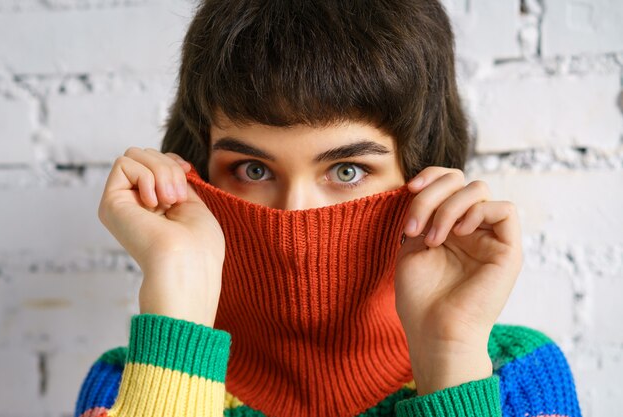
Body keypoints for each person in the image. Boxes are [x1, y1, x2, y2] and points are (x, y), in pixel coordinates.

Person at [74, 1, 583, 416]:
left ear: (423, 175)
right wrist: (178, 302)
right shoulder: (128, 384)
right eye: (253, 169)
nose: (295, 216)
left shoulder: (514, 376)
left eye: (347, 171)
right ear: (198, 172)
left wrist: (450, 354)